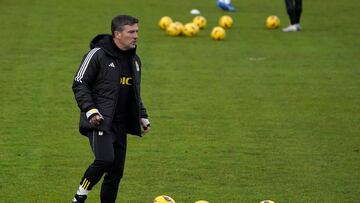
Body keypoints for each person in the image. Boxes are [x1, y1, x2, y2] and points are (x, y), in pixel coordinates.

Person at [71, 14, 150, 203]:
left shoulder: (135, 61)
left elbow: (134, 93)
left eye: (137, 31)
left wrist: (142, 115)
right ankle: (79, 197)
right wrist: (90, 109)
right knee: (105, 159)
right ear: (117, 34)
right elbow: (79, 83)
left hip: (121, 124)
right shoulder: (97, 54)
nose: (136, 36)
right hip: (100, 120)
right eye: (131, 32)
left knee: (116, 172)